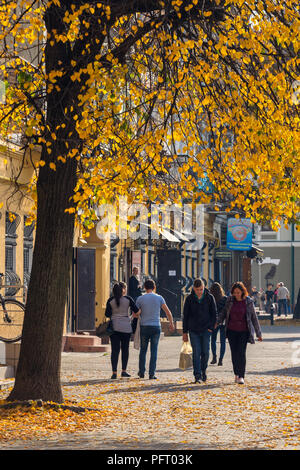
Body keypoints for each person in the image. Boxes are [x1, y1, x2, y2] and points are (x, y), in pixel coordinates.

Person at [218, 281, 262, 385]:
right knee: (234, 353)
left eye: (238, 292)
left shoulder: (248, 301)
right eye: (235, 292)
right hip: (231, 330)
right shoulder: (229, 300)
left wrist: (258, 333)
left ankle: (241, 376)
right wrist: (218, 321)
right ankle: (236, 373)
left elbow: (254, 318)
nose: (236, 294)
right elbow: (224, 313)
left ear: (243, 292)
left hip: (244, 331)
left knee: (241, 353)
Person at [135, 279, 175, 379]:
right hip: (156, 327)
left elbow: (135, 314)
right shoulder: (159, 298)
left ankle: (141, 372)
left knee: (143, 350)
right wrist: (171, 323)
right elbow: (168, 312)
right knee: (154, 351)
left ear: (144, 287)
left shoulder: (140, 299)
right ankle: (152, 373)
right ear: (154, 287)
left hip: (144, 326)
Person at [182, 278, 217, 383]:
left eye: (201, 289)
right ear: (193, 289)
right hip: (194, 330)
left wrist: (211, 328)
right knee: (196, 353)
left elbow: (214, 314)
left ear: (204, 288)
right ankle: (197, 375)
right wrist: (185, 332)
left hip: (206, 329)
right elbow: (186, 316)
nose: (199, 292)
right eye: (197, 290)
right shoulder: (189, 299)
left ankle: (203, 371)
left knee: (205, 352)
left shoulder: (209, 298)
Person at [105, 282, 140, 380]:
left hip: (114, 328)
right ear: (123, 290)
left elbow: (107, 314)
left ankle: (114, 372)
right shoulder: (128, 299)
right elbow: (136, 311)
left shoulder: (110, 300)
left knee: (115, 350)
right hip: (126, 327)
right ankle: (124, 371)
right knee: (125, 350)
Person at [209, 282, 227, 366]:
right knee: (223, 341)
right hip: (223, 322)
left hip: (214, 322)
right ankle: (221, 359)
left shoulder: (211, 299)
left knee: (213, 340)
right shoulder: (225, 299)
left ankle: (214, 357)